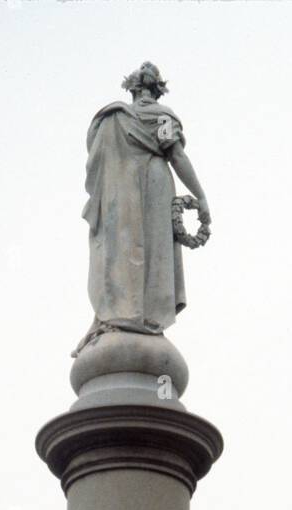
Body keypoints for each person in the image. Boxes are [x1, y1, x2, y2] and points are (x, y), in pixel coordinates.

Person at [74, 61, 211, 355]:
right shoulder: (161, 116)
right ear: (158, 89)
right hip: (152, 182)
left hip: (120, 191)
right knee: (151, 251)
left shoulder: (111, 119)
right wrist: (201, 196)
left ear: (133, 87)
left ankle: (115, 313)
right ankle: (142, 316)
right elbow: (176, 155)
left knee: (119, 250)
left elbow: (97, 170)